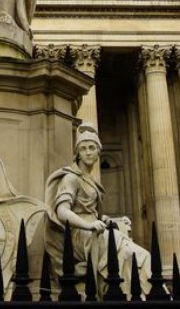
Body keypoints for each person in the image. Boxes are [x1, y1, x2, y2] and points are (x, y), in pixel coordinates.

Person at [45, 123, 151, 296]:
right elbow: (62, 212)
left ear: (98, 152)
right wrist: (88, 225)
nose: (88, 152)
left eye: (92, 148)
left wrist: (109, 220)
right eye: (83, 148)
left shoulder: (92, 181)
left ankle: (143, 302)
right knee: (127, 253)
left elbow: (96, 214)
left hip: (95, 230)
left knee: (138, 255)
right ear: (77, 153)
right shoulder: (71, 178)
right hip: (80, 233)